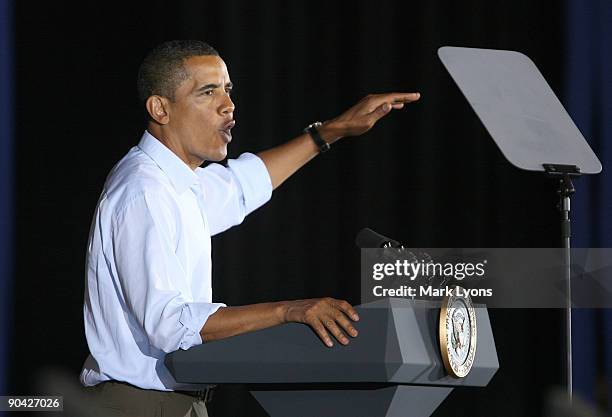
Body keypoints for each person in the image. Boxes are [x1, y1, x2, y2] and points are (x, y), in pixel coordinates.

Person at [80, 40, 420, 417]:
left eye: (227, 90)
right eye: (207, 92)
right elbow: (169, 324)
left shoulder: (179, 184)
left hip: (178, 403)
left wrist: (331, 132)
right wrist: (289, 311)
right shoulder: (144, 192)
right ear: (160, 108)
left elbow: (244, 186)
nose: (228, 105)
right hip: (141, 405)